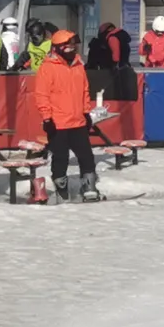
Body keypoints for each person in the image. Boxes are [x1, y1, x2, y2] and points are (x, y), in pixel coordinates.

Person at [34, 30, 99, 202]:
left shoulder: (78, 65)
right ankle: (61, 187)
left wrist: (86, 112)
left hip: (77, 120)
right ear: (58, 48)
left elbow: (85, 90)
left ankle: (89, 186)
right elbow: (42, 95)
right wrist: (47, 118)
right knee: (60, 157)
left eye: (74, 46)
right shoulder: (47, 68)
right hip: (58, 122)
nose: (72, 49)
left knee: (86, 156)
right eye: (68, 47)